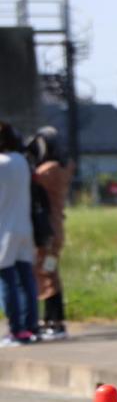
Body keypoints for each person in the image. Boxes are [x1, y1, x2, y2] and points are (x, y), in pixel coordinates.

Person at [28, 127, 71, 341]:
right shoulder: (65, 167)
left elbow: (31, 179)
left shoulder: (48, 170)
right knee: (50, 273)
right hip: (56, 229)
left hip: (47, 232)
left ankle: (54, 322)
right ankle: (53, 320)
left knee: (45, 275)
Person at [0, 121, 39, 347]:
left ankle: (15, 330)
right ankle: (30, 327)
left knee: (7, 281)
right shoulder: (21, 162)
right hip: (24, 227)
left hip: (4, 229)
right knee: (26, 279)